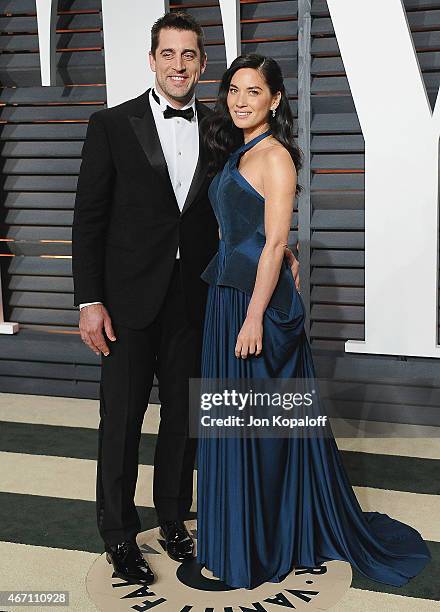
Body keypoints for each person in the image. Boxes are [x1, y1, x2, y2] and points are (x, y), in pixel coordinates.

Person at [73, 10, 300, 585]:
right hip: (125, 303)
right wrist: (88, 300)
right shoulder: (110, 125)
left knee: (185, 419)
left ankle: (173, 518)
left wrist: (280, 248)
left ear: (202, 63)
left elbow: (244, 199)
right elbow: (88, 219)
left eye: (190, 55)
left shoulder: (220, 129)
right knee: (120, 421)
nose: (179, 65)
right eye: (168, 55)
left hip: (197, 301)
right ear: (152, 61)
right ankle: (120, 535)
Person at [196, 53, 431, 589]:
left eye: (253, 91)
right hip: (227, 297)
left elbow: (276, 242)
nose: (239, 100)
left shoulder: (276, 157)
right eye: (234, 89)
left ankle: (264, 542)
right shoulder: (241, 149)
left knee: (264, 428)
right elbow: (247, 229)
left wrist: (254, 316)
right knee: (236, 425)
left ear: (274, 100)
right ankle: (240, 536)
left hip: (254, 306)